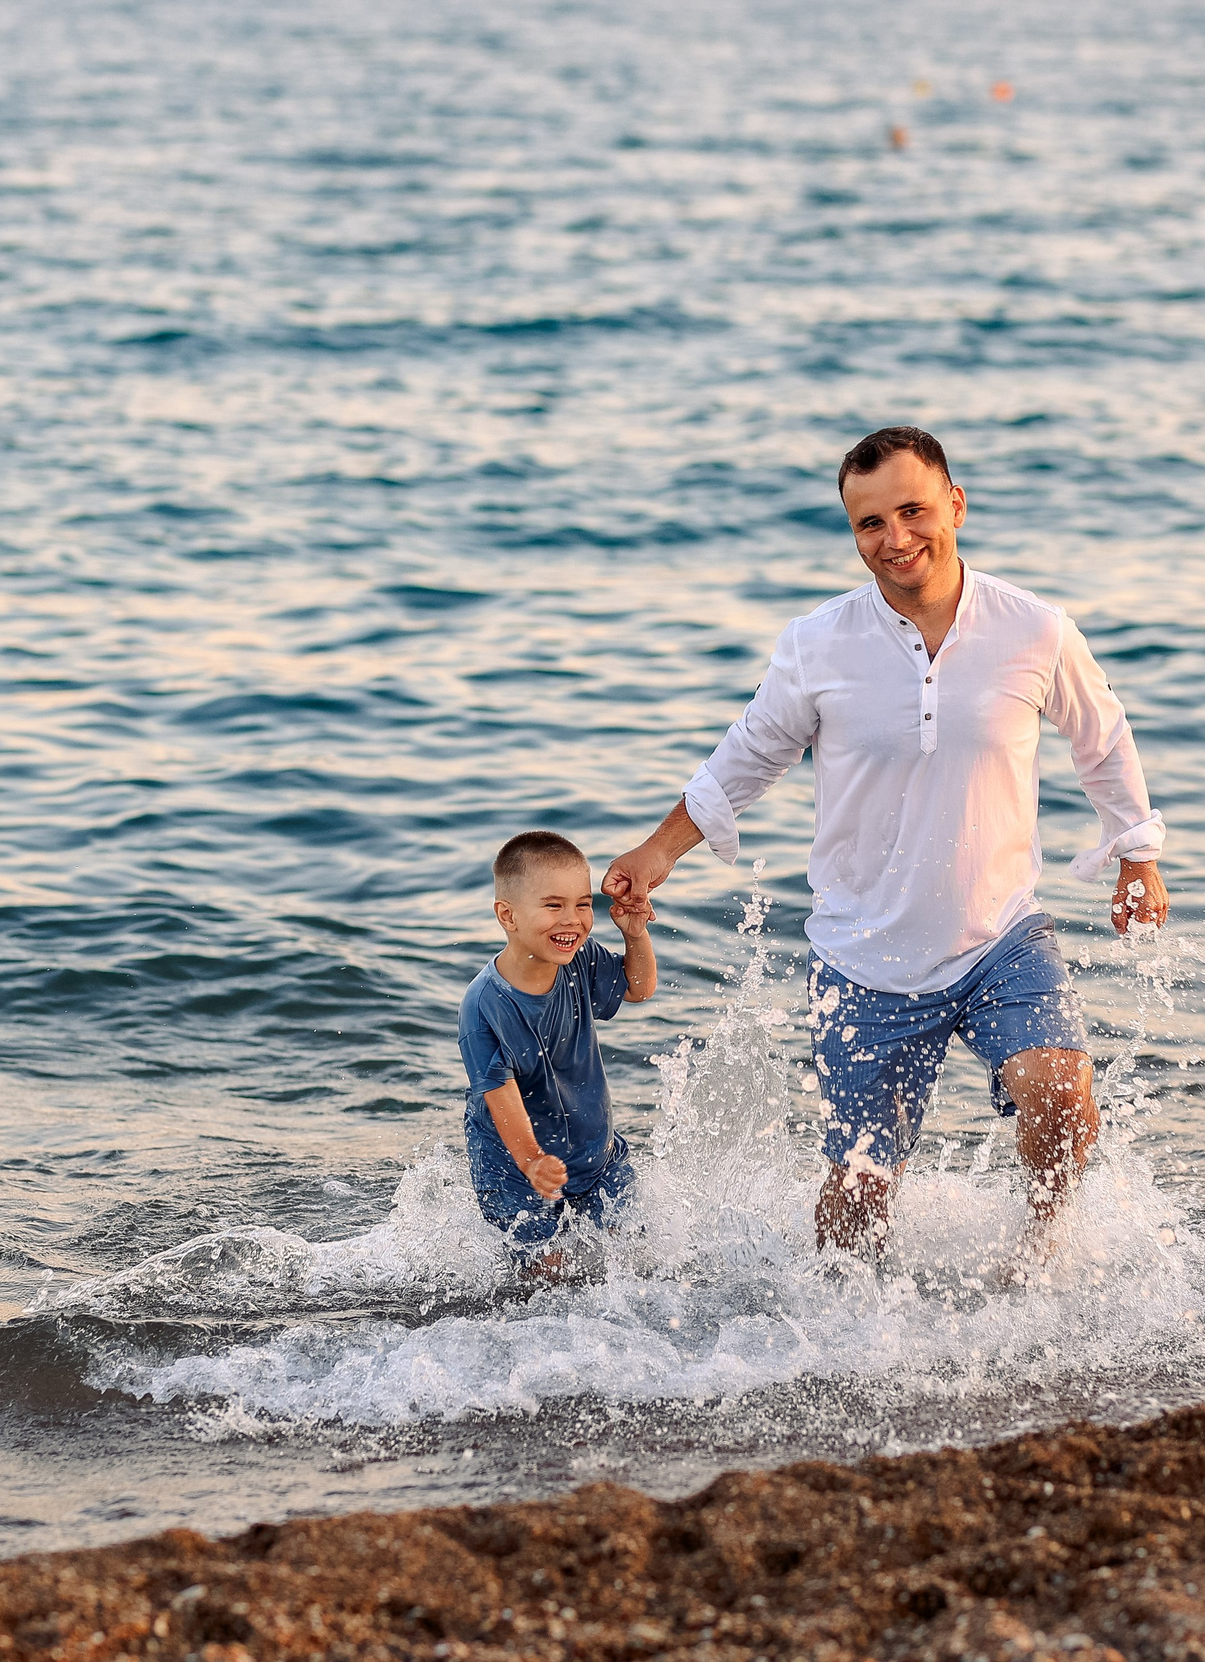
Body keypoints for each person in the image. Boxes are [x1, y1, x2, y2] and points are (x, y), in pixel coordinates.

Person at [602, 427, 1169, 1264]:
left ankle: (1039, 1264)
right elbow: (749, 753)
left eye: (913, 510)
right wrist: (658, 853)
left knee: (1063, 1095)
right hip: (864, 956)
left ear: (956, 505)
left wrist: (1137, 853)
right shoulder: (818, 642)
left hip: (999, 935)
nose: (896, 538)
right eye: (870, 523)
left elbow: (1102, 736)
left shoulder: (1036, 630)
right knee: (863, 1187)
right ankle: (842, 1330)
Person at [459, 830, 657, 1262]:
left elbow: (639, 989)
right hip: (513, 1165)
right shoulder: (484, 1005)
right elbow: (498, 1091)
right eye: (553, 906)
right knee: (546, 1275)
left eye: (583, 904)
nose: (572, 920)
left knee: (635, 1258)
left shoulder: (580, 959)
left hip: (594, 1149)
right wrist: (530, 1161)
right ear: (507, 916)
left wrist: (635, 935)